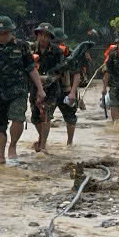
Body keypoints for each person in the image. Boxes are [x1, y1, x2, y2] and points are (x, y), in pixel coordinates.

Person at [0, 16, 45, 165]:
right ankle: (0, 156)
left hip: (18, 89)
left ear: (11, 32)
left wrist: (40, 89)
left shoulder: (22, 46)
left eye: (5, 32)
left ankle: (12, 146)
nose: (1, 35)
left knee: (18, 117)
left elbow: (31, 68)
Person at [30, 23, 74, 151]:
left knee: (46, 115)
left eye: (46, 36)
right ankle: (41, 138)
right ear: (37, 35)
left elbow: (61, 67)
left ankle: (43, 145)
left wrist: (48, 75)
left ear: (50, 37)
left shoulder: (56, 51)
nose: (43, 38)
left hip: (52, 87)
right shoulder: (30, 49)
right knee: (34, 117)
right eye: (41, 35)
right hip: (34, 86)